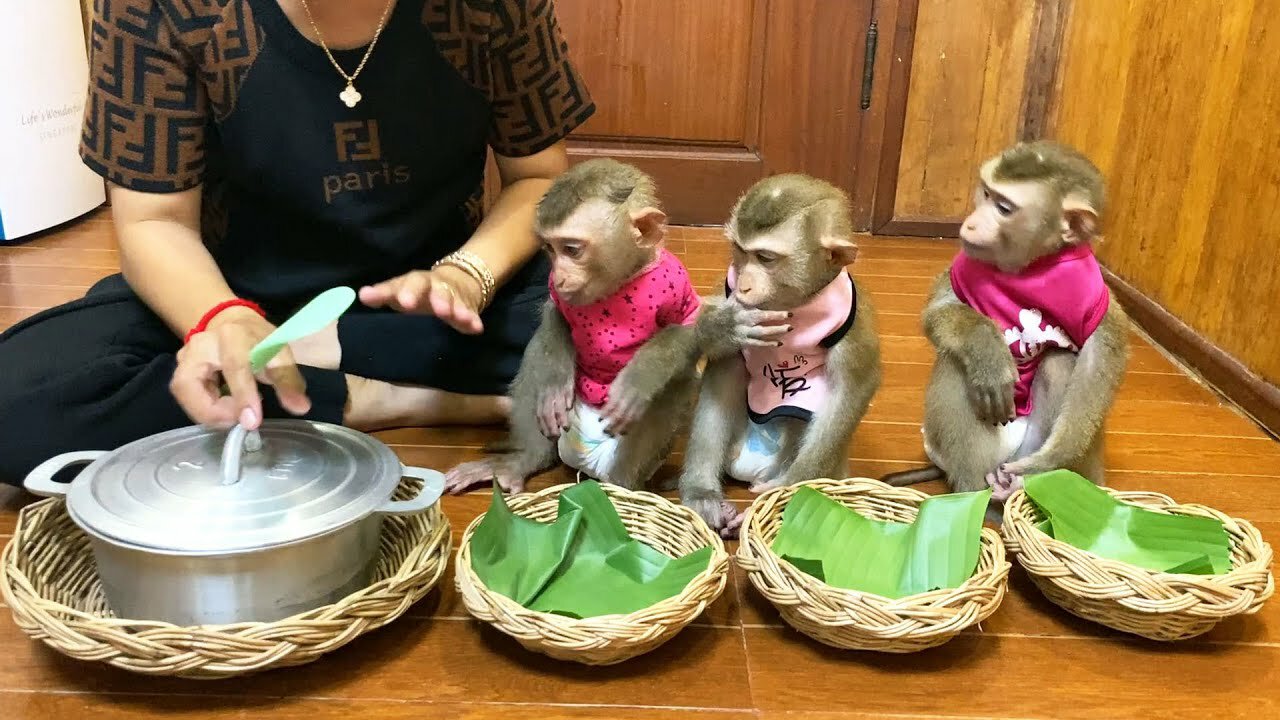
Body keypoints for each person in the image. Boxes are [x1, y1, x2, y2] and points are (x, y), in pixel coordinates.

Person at [0, 0, 595, 486]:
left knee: (620, 321)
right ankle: (383, 398)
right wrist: (221, 318)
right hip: (236, 300)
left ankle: (308, 378)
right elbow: (154, 221)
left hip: (428, 298)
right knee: (14, 401)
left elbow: (539, 177)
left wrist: (468, 275)